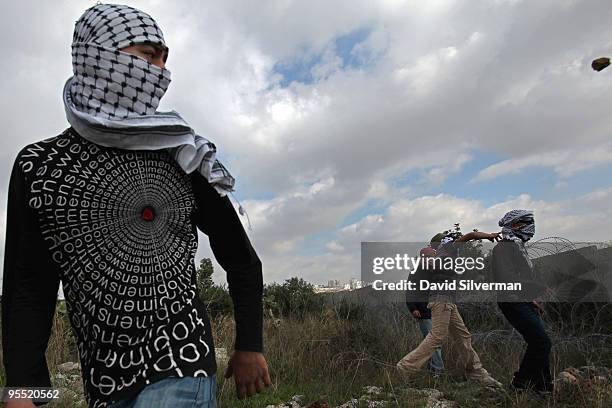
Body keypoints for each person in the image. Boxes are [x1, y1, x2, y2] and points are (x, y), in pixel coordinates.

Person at [2, 4, 270, 408]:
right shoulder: (40, 166)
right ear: (97, 55)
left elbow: (240, 257)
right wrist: (25, 393)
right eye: (147, 54)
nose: (160, 70)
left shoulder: (182, 153)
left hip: (181, 365)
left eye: (164, 58)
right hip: (103, 384)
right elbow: (28, 289)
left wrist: (249, 345)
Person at [397, 230, 503, 388]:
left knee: (463, 335)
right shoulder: (447, 249)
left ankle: (476, 372)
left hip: (448, 301)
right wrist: (489, 236)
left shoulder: (441, 255)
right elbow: (470, 236)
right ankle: (406, 366)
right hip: (442, 300)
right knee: (437, 336)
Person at [492, 210, 553, 395]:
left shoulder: (517, 247)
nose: (531, 226)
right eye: (527, 222)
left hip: (521, 300)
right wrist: (537, 287)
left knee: (539, 342)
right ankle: (520, 384)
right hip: (511, 301)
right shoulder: (503, 248)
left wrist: (530, 298)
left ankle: (543, 387)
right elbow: (506, 278)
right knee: (541, 342)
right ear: (515, 225)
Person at [405, 246, 444, 375]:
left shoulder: (436, 270)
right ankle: (438, 372)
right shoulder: (416, 271)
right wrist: (413, 308)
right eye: (428, 257)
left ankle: (432, 369)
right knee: (434, 343)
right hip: (423, 311)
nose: (431, 259)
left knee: (434, 342)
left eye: (433, 256)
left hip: (437, 310)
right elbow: (410, 291)